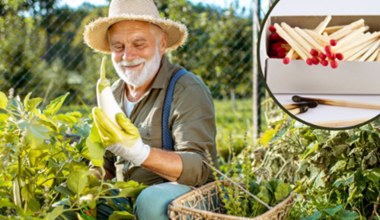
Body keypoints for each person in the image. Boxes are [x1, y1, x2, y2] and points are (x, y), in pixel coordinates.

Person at [83, 0, 218, 219]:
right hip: (127, 197)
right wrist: (87, 182)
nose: (127, 56)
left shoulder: (185, 89)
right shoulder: (112, 93)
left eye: (139, 44)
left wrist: (139, 153)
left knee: (151, 202)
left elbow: (199, 168)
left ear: (162, 44)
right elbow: (106, 165)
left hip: (187, 204)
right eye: (118, 47)